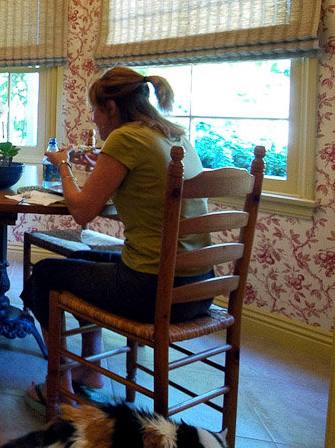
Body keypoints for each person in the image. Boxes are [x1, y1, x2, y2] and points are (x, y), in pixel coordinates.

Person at [21, 66, 212, 412]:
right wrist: (106, 165)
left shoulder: (125, 138)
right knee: (80, 263)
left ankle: (59, 388)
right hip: (199, 288)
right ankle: (90, 372)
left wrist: (63, 165)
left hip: (154, 291)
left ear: (111, 108)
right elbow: (144, 196)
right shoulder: (174, 136)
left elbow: (82, 211)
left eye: (95, 110)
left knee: (45, 275)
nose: (94, 119)